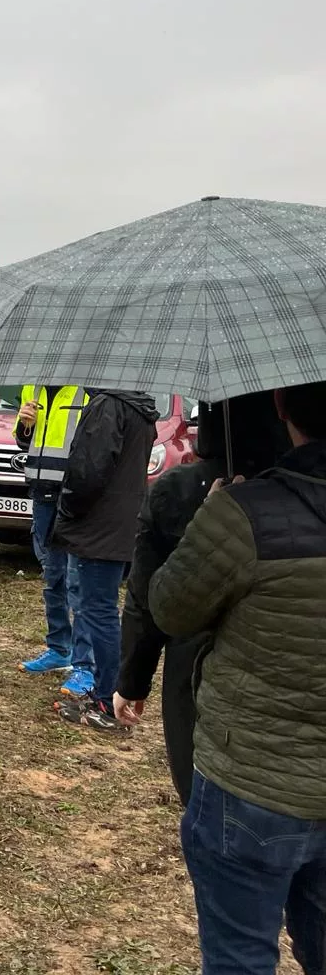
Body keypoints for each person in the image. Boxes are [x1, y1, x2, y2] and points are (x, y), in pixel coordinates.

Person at [150, 381, 326, 974]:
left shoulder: (244, 514)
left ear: (281, 406)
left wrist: (212, 517)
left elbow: (170, 609)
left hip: (250, 787)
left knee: (239, 957)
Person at [116, 394, 289, 805]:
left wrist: (132, 680)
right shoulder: (304, 493)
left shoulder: (177, 491)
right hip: (285, 688)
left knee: (202, 801)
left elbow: (148, 600)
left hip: (194, 679)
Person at [49, 389, 157, 732]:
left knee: (98, 611)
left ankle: (106, 698)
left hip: (98, 528)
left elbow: (87, 472)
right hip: (119, 525)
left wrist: (67, 509)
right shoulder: (140, 409)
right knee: (103, 609)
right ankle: (107, 692)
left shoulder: (109, 406)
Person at [13, 385, 94, 696]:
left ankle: (84, 665)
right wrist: (25, 425)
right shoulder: (32, 388)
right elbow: (23, 441)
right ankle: (58, 647)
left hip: (75, 496)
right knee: (53, 575)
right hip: (41, 492)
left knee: (78, 581)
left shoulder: (86, 391)